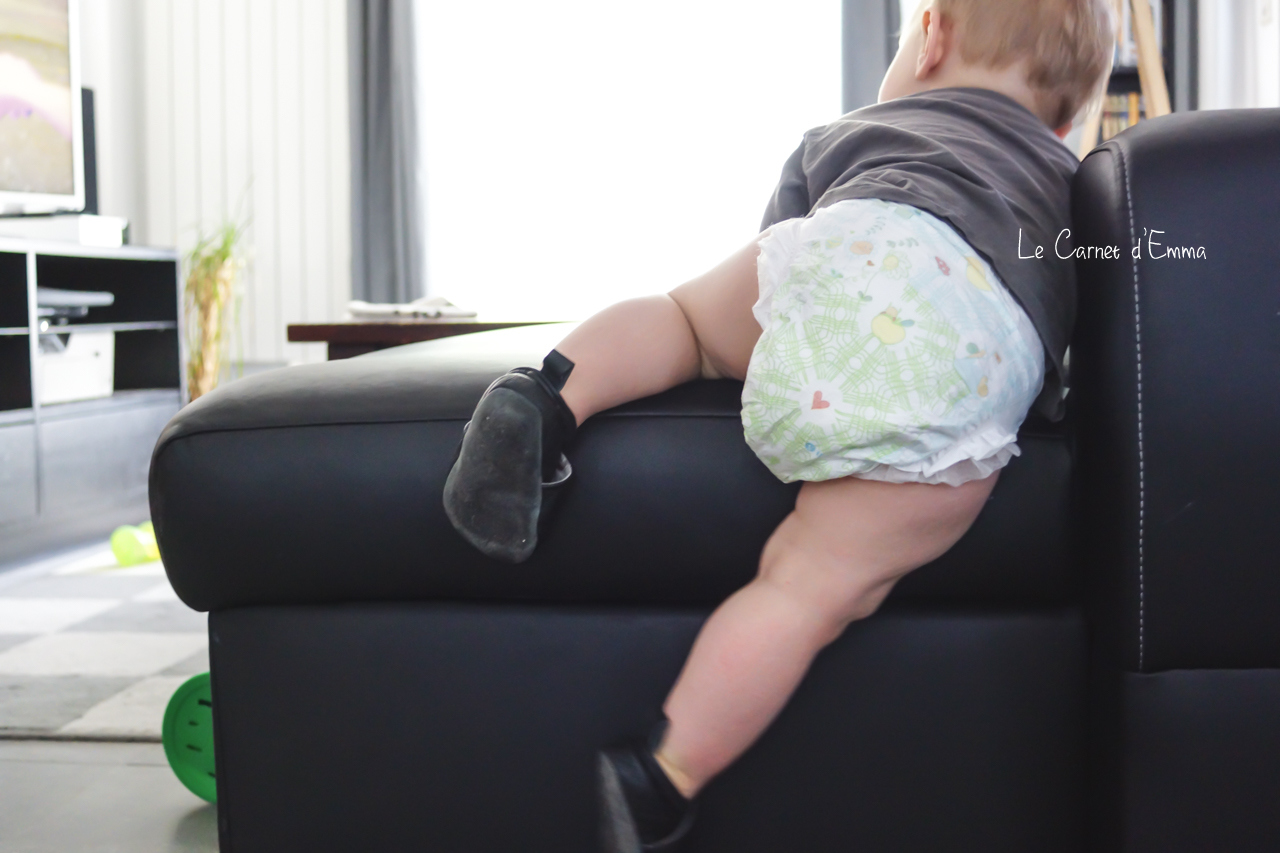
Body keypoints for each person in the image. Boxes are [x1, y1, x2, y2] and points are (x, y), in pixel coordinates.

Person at [442, 1, 1114, 850]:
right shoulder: (1073, 186)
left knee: (685, 320)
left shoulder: (858, 131)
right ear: (1066, 117)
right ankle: (662, 774)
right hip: (965, 347)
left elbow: (781, 239)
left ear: (934, 36)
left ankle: (546, 397)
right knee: (805, 588)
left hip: (855, 242)